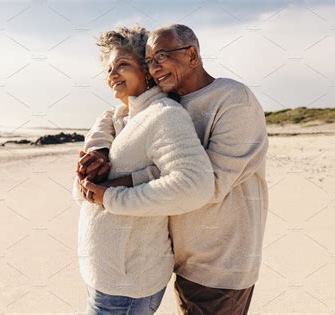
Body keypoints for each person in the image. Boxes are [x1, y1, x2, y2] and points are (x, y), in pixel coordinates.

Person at [78, 24, 269, 314]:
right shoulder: (173, 100)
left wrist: (120, 185)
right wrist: (99, 148)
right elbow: (121, 113)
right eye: (150, 60)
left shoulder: (232, 99)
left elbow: (209, 183)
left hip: (221, 262)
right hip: (184, 257)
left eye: (161, 57)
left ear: (191, 54)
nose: (155, 68)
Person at [73, 26, 215, 315]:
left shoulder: (164, 115)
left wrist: (110, 197)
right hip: (104, 280)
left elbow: (195, 185)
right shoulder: (121, 119)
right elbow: (85, 197)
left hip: (127, 288)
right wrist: (87, 178)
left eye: (123, 65)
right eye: (109, 68)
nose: (112, 74)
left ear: (148, 70)